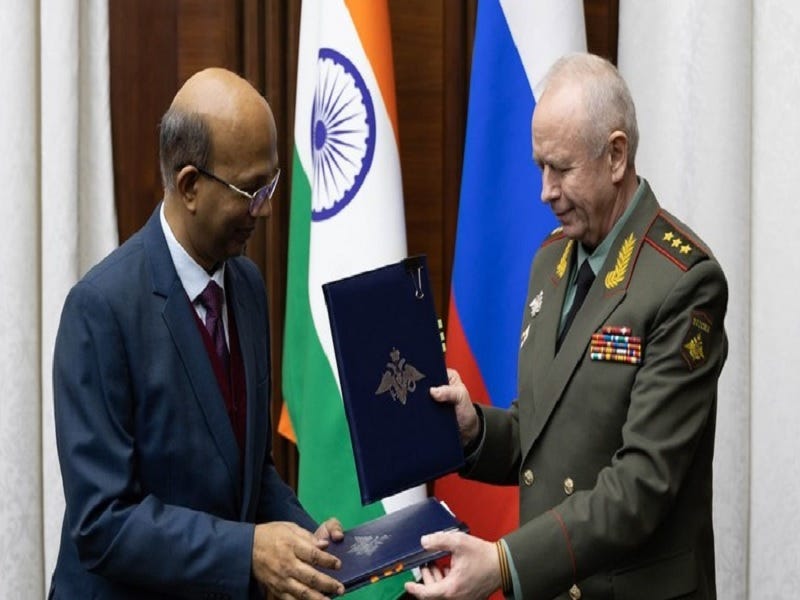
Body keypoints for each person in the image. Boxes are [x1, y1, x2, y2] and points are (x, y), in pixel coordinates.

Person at [405, 53, 728, 600]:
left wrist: (504, 563)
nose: (545, 191)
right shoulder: (551, 260)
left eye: (562, 168)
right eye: (540, 167)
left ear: (616, 156)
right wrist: (475, 429)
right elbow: (547, 436)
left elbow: (641, 486)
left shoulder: (683, 282)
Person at [50, 67, 345, 600]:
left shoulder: (247, 286)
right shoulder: (100, 310)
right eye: (251, 191)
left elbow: (249, 471)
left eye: (271, 185)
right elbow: (102, 523)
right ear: (190, 186)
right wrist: (247, 551)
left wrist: (304, 542)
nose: (266, 209)